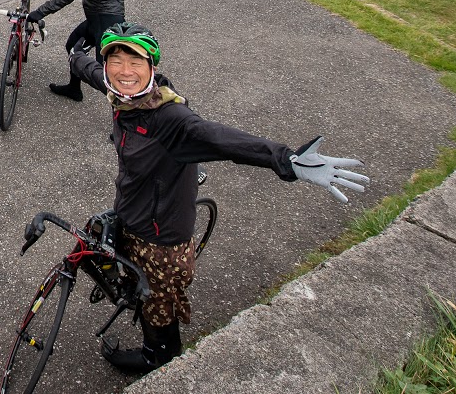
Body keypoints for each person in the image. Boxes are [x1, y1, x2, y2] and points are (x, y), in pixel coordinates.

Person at [68, 23, 368, 374]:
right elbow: (90, 71)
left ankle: (159, 357)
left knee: (158, 303)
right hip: (133, 209)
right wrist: (75, 55)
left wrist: (286, 161)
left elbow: (222, 139)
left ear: (153, 67)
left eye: (135, 61)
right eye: (115, 61)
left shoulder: (173, 119)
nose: (123, 71)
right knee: (132, 279)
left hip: (161, 235)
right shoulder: (119, 92)